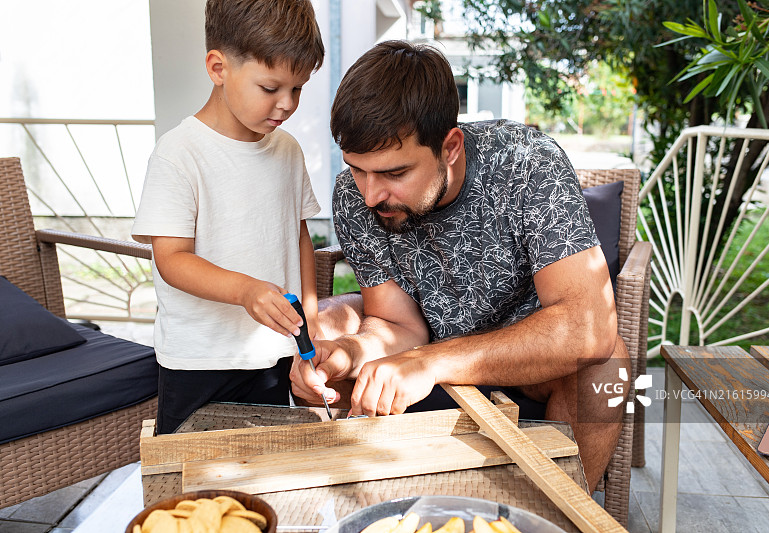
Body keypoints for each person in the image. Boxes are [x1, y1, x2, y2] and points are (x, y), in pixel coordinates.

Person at [290, 40, 629, 490]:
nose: (370, 195)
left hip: (528, 366)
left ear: (450, 146)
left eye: (394, 173)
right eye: (357, 169)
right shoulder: (356, 195)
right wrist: (351, 352)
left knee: (607, 364)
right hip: (423, 348)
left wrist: (429, 362)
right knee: (331, 331)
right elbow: (397, 323)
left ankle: (560, 510)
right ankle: (372, 501)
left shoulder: (526, 164)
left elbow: (589, 330)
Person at [131, 0, 324, 434]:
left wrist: (309, 328)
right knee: (188, 481)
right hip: (199, 361)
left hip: (273, 356)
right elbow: (172, 259)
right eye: (271, 88)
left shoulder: (287, 151)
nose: (287, 104)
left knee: (266, 472)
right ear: (218, 68)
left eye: (297, 89)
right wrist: (245, 291)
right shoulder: (179, 154)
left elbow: (298, 240)